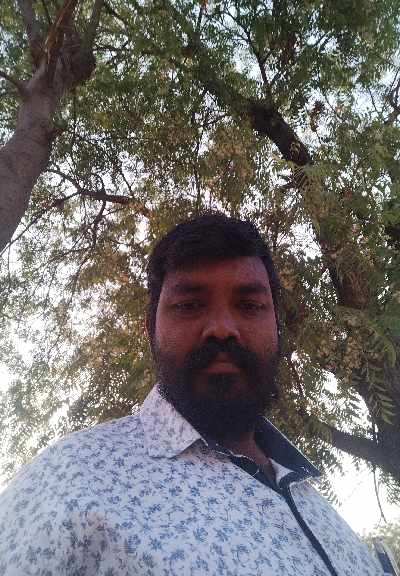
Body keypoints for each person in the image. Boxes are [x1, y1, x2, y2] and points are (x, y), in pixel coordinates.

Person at [0, 213, 384, 576]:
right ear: (150, 328)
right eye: (189, 305)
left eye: (250, 305)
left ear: (277, 326)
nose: (222, 328)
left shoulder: (324, 513)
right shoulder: (72, 478)